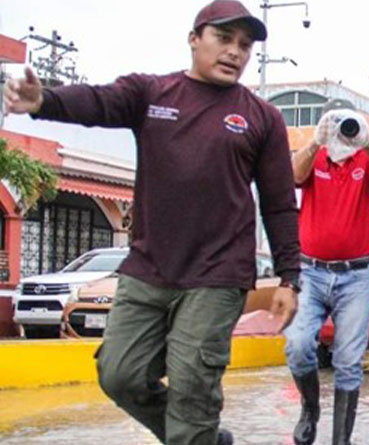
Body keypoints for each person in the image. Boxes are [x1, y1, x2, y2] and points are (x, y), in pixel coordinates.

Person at [3, 1, 301, 443]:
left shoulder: (262, 118)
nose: (235, 52)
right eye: (224, 39)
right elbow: (99, 101)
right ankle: (203, 439)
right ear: (194, 38)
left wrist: (290, 278)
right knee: (119, 375)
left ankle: (193, 432)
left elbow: (279, 203)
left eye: (244, 45)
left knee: (192, 388)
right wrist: (44, 100)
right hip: (149, 269)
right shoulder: (152, 93)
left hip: (217, 277)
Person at [284, 98, 369, 445]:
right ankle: (310, 409)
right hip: (311, 272)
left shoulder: (365, 158)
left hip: (355, 276)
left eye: (348, 122)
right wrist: (317, 138)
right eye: (337, 123)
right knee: (298, 345)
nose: (342, 129)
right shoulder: (314, 156)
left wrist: (367, 137)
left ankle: (340, 440)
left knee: (348, 361)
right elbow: (293, 175)